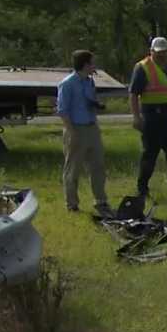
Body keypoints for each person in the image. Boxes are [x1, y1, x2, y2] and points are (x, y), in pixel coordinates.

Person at [56, 50, 111, 215]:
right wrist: (72, 133)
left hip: (92, 127)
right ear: (85, 64)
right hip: (75, 128)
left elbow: (89, 100)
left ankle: (101, 200)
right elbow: (62, 111)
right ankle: (72, 203)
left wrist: (96, 105)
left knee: (98, 166)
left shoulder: (89, 82)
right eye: (92, 63)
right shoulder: (67, 84)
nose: (94, 66)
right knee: (73, 168)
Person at [129, 36, 167, 196]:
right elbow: (133, 94)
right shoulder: (142, 67)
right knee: (150, 155)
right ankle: (142, 187)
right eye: (158, 52)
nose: (161, 55)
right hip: (152, 116)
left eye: (164, 52)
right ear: (151, 51)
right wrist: (136, 117)